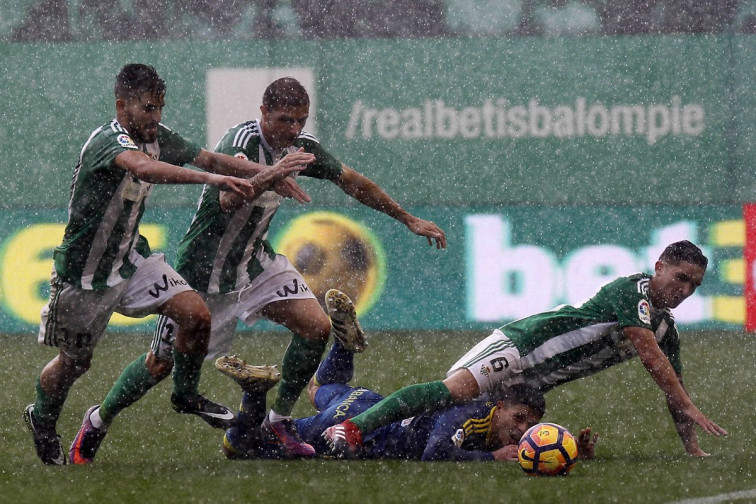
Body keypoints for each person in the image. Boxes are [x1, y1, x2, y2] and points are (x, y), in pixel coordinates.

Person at [69, 78, 447, 464]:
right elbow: (228, 199)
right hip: (203, 271)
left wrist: (407, 218)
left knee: (316, 327)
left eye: (301, 121)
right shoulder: (242, 142)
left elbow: (350, 180)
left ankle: (278, 421)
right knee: (160, 364)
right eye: (285, 120)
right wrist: (274, 173)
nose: (294, 130)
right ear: (263, 113)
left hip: (255, 264)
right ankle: (97, 421)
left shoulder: (300, 146)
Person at [24, 63, 315, 466]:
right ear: (121, 104)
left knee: (194, 315)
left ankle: (186, 394)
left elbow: (209, 157)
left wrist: (268, 173)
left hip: (132, 260)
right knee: (75, 364)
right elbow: (145, 169)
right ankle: (42, 418)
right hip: (84, 276)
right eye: (148, 108)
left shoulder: (156, 136)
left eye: (160, 107)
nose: (156, 117)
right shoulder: (109, 140)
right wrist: (211, 182)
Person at [324, 240, 728, 458]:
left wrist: (690, 445)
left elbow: (674, 386)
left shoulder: (665, 328)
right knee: (448, 396)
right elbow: (650, 358)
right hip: (522, 346)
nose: (686, 290)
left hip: (535, 381)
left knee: (481, 431)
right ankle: (352, 428)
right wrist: (688, 404)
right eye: (681, 277)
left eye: (694, 284)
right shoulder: (632, 291)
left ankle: (358, 420)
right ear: (659, 267)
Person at [215, 316, 597, 462]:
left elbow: (536, 444)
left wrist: (573, 451)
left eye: (527, 425)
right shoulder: (470, 416)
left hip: (364, 403)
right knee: (241, 446)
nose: (520, 430)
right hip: (360, 431)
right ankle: (254, 392)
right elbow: (435, 451)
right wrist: (490, 459)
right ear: (498, 405)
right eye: (518, 419)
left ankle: (342, 346)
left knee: (323, 385)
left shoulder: (497, 424)